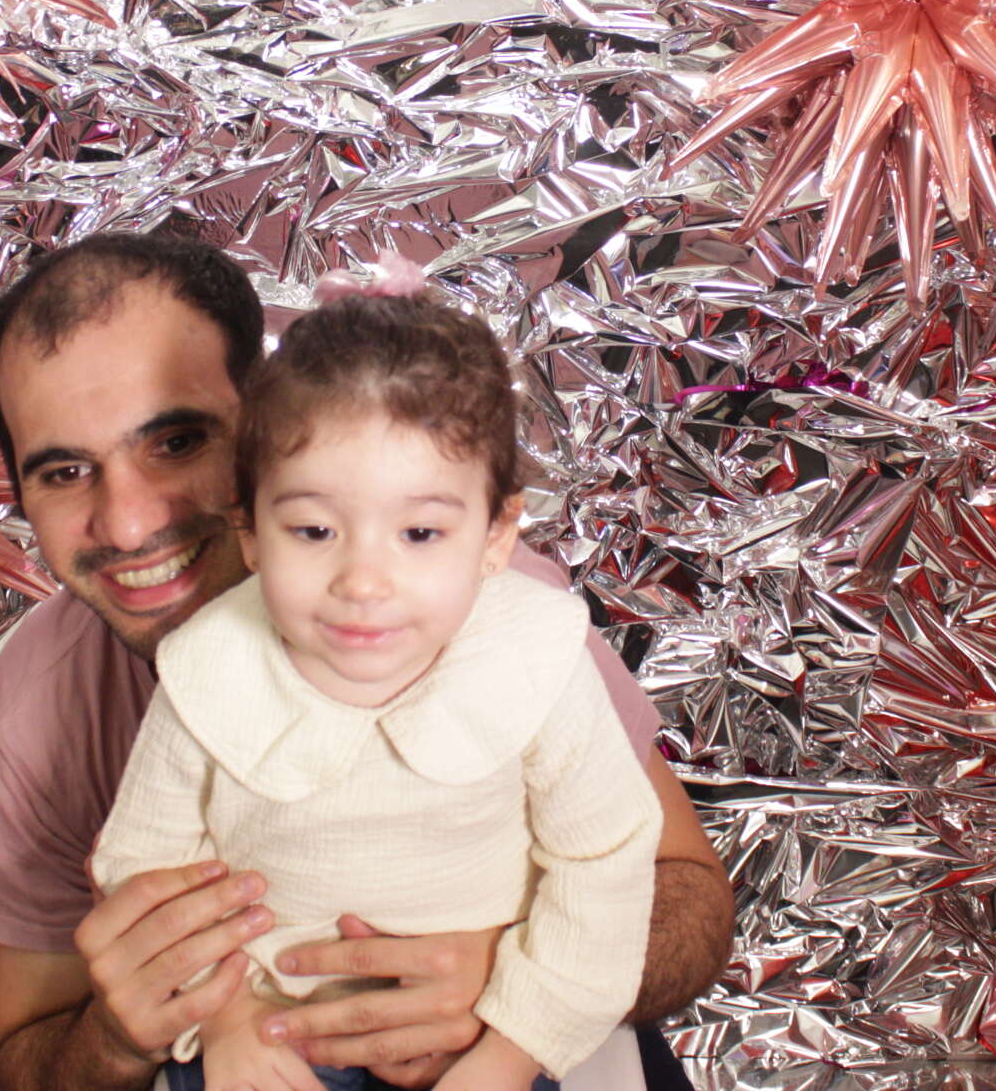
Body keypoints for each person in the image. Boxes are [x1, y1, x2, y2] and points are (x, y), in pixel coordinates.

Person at [0, 233, 734, 1091]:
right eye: (65, 471)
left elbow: (687, 901)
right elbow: (23, 1048)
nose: (131, 521)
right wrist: (132, 1032)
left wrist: (507, 987)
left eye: (176, 441)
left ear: (260, 426)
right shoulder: (39, 701)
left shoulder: (485, 606)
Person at [90, 281, 657, 1091]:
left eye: (420, 533)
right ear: (250, 533)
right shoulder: (209, 669)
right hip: (265, 1021)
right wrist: (222, 1015)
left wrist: (513, 1048)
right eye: (313, 530)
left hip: (487, 1024)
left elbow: (605, 862)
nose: (362, 580)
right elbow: (145, 870)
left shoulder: (535, 657)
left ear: (495, 537)